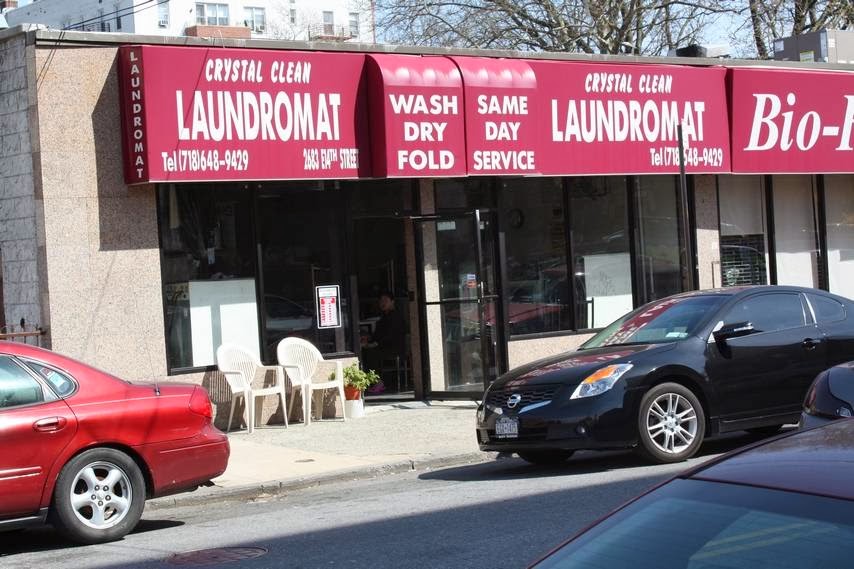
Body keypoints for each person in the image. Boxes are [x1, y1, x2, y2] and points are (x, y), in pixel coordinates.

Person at [361, 291, 407, 393]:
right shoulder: (383, 317)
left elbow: (390, 335)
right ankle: (371, 381)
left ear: (392, 302)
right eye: (381, 301)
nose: (383, 303)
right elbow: (377, 334)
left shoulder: (396, 316)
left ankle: (378, 383)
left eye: (385, 300)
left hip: (394, 348)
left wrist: (375, 343)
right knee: (364, 351)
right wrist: (368, 340)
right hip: (383, 346)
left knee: (371, 353)